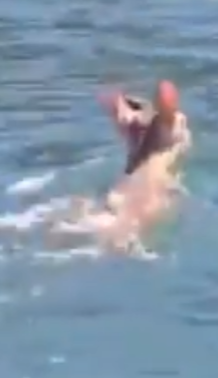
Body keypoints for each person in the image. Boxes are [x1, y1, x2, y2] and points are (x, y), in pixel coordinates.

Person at [55, 80, 193, 254]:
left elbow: (127, 111)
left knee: (83, 225)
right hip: (141, 195)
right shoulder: (176, 132)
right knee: (120, 238)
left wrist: (119, 103)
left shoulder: (141, 128)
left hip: (123, 191)